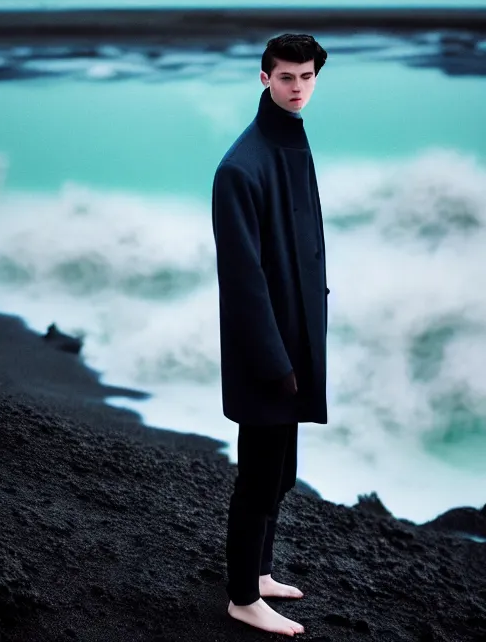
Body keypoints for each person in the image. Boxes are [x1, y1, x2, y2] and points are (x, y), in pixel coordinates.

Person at [211, 33, 329, 636]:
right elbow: (243, 278)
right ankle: (241, 597)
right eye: (286, 77)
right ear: (264, 79)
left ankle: (258, 573)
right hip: (267, 349)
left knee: (281, 473)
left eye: (307, 77)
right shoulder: (241, 164)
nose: (298, 88)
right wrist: (275, 359)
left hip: (296, 338)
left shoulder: (293, 141)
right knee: (258, 477)